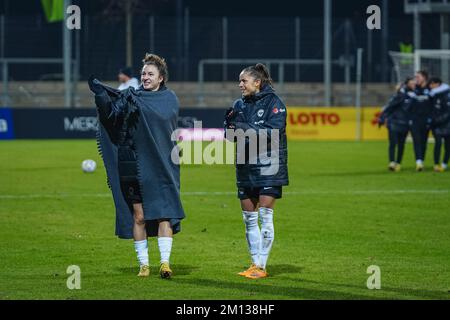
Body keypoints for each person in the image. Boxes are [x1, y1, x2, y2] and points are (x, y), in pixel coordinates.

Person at [88, 53, 185, 278]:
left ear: (161, 78)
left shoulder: (169, 99)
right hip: (133, 164)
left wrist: (132, 100)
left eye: (151, 74)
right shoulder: (131, 96)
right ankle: (144, 265)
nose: (145, 77)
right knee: (139, 216)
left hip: (162, 165)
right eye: (143, 74)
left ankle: (164, 263)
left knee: (164, 214)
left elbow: (161, 119)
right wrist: (102, 94)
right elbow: (111, 117)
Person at [224, 63, 289, 279]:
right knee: (249, 219)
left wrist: (244, 129)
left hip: (270, 165)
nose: (240, 84)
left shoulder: (275, 103)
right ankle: (254, 263)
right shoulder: (238, 104)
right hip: (245, 165)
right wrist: (230, 128)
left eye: (243, 80)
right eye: (240, 80)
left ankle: (261, 266)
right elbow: (231, 136)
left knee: (265, 217)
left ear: (257, 82)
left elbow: (273, 132)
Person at [378, 77, 415, 172]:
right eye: (411, 83)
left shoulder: (414, 96)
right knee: (393, 143)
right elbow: (389, 107)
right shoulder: (400, 95)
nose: (413, 85)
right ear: (407, 84)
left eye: (414, 83)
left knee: (401, 144)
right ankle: (392, 162)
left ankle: (398, 163)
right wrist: (382, 118)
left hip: (405, 124)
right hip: (394, 122)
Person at [409, 70, 433, 171]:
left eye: (418, 77)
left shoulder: (431, 90)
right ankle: (418, 162)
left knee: (423, 142)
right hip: (415, 120)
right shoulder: (414, 90)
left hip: (426, 120)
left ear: (424, 78)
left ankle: (421, 161)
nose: (416, 79)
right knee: (416, 141)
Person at [428, 77, 450, 172]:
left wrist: (438, 120)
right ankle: (436, 164)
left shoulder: (447, 95)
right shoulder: (432, 95)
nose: (431, 86)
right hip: (436, 124)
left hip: (447, 124)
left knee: (448, 146)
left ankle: (444, 164)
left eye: (432, 84)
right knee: (437, 143)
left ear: (438, 84)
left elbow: (448, 112)